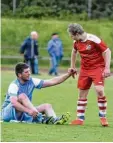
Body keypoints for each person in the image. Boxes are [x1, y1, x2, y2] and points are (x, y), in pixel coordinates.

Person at [1, 62, 74, 124]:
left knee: (47, 106)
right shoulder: (14, 85)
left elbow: (53, 81)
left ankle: (55, 121)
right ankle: (41, 118)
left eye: (29, 71)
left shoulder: (32, 81)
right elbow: (14, 103)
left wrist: (68, 74)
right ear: (19, 75)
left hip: (24, 112)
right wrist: (29, 111)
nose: (29, 73)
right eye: (26, 72)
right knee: (22, 96)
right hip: (8, 114)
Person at [67, 23, 111, 126]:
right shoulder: (76, 42)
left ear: (77, 33)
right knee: (82, 93)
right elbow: (74, 52)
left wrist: (107, 68)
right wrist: (72, 67)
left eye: (71, 35)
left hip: (97, 68)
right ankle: (80, 119)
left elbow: (107, 51)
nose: (71, 37)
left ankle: (103, 117)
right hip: (85, 70)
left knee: (99, 90)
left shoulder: (93, 39)